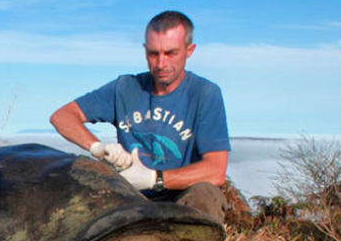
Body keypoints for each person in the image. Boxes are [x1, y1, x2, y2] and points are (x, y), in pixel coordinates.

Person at [49, 11, 230, 221]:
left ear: (189, 50)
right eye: (153, 53)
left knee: (204, 195)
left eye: (171, 53)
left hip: (182, 195)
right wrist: (97, 148)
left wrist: (155, 179)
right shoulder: (126, 88)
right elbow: (62, 116)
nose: (161, 63)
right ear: (145, 50)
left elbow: (215, 171)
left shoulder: (204, 93)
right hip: (130, 195)